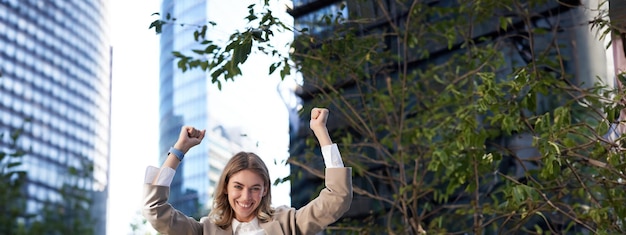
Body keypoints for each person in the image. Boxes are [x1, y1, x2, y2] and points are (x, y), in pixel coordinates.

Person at [142, 108, 352, 235]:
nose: (246, 197)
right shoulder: (205, 230)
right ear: (225, 187)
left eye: (254, 188)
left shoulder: (288, 223)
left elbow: (338, 197)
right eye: (238, 187)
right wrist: (178, 150)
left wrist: (321, 132)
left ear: (265, 190)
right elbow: (154, 209)